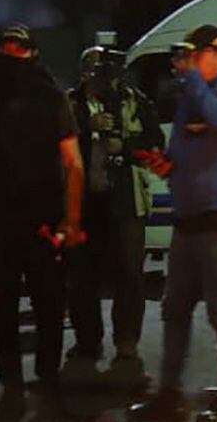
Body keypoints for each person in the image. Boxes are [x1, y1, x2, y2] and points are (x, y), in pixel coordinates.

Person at [0, 25, 84, 421]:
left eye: (18, 49)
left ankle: (45, 381)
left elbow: (73, 164)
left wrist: (71, 219)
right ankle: (14, 387)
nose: (13, 56)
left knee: (48, 304)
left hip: (41, 219)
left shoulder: (50, 99)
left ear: (32, 52)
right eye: (7, 49)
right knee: (5, 306)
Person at [129, 25, 217, 422]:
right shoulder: (191, 96)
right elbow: (181, 152)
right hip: (187, 221)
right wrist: (164, 165)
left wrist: (192, 82)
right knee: (175, 310)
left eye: (195, 54)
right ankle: (169, 395)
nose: (186, 63)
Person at [65, 44, 162, 384]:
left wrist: (127, 146)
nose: (101, 76)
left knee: (130, 276)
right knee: (82, 277)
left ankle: (126, 343)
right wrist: (85, 129)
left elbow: (156, 143)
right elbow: (53, 145)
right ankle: (87, 342)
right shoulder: (70, 104)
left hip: (126, 201)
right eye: (94, 69)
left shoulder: (133, 100)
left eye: (104, 69)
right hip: (85, 203)